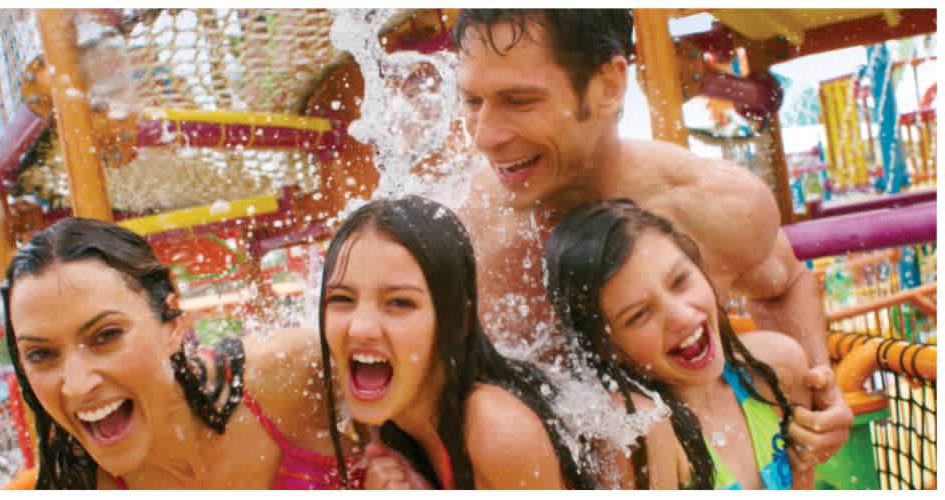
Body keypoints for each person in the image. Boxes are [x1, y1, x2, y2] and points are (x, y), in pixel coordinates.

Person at [450, 8, 850, 467]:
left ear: (608, 84)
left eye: (519, 101)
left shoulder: (709, 205)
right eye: (472, 102)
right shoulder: (466, 234)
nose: (484, 136)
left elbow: (784, 283)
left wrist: (820, 388)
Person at [2, 217, 362, 489]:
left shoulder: (290, 375)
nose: (78, 386)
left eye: (106, 336)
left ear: (173, 324)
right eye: (41, 354)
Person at [317, 196, 596, 489]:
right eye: (342, 299)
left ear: (459, 321)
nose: (360, 329)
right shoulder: (367, 401)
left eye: (399, 302)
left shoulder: (499, 430)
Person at [544, 199, 815, 489]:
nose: (683, 316)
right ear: (604, 347)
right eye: (639, 314)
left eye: (680, 280)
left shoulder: (776, 369)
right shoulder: (638, 434)